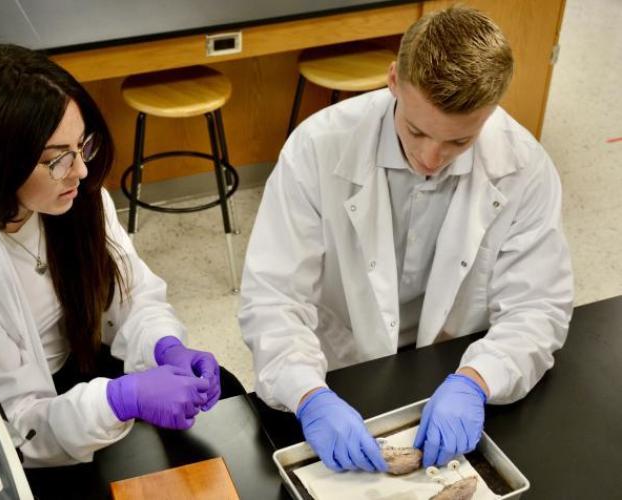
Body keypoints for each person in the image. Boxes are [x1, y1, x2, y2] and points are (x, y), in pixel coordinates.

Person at [239, 5, 573, 473]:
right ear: (393, 80)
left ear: (491, 110)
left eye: (459, 142)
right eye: (416, 130)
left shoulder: (525, 167)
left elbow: (537, 308)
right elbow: (273, 297)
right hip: (343, 367)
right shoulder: (317, 148)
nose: (430, 157)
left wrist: (478, 380)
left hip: (454, 364)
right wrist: (308, 393)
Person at [0, 43, 244, 467]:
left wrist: (163, 344)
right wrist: (119, 400)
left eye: (81, 146)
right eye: (57, 160)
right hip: (15, 425)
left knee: (229, 408)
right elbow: (18, 430)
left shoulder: (68, 195)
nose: (82, 171)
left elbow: (131, 292)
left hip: (82, 360)